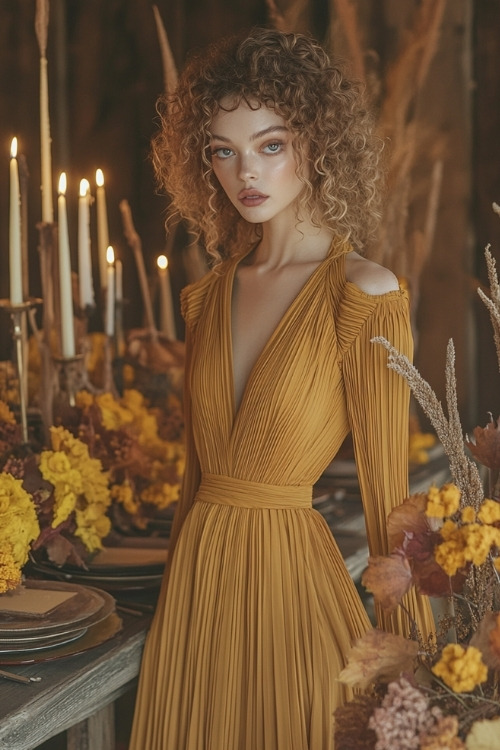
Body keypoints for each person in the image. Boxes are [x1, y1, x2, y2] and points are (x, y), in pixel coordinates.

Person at [130, 27, 434, 750]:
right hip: (195, 601)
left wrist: (414, 658)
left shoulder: (364, 291)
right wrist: (173, 600)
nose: (246, 173)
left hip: (290, 595)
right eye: (223, 150)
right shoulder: (208, 297)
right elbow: (194, 479)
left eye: (270, 144)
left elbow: (391, 498)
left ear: (316, 144)